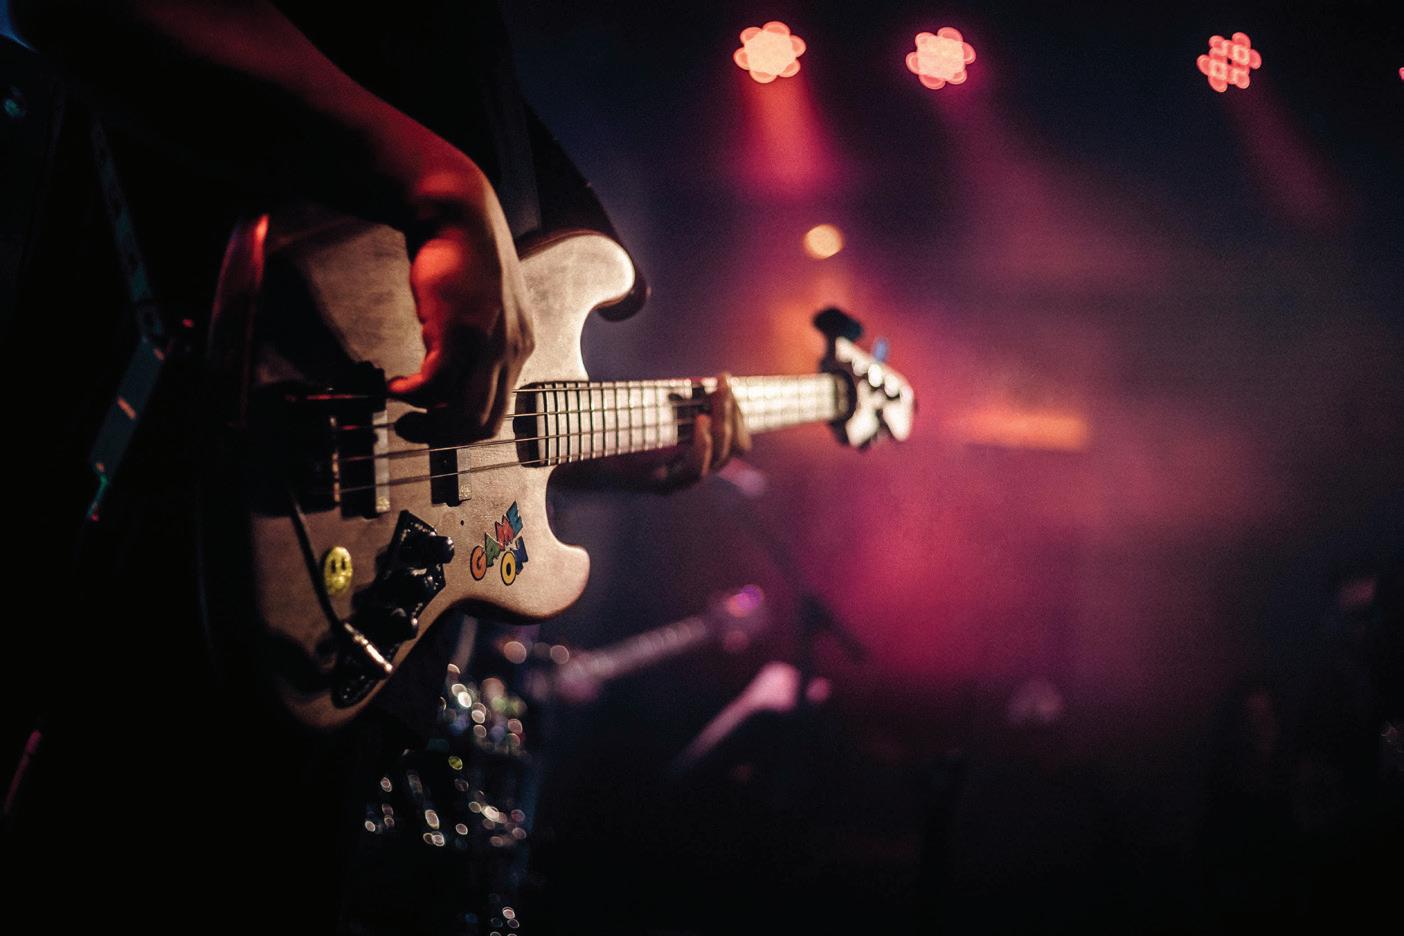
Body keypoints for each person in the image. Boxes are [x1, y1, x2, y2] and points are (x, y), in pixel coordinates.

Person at [1, 2, 746, 929]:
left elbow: (452, 414)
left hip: (345, 643)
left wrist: (595, 459)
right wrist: (440, 185)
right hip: (160, 536)